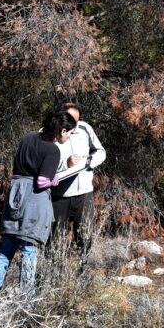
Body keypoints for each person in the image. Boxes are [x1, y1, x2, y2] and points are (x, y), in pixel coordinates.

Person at [0, 109, 77, 296]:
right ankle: (26, 296)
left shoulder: (27, 138)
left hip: (16, 194)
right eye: (70, 132)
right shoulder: (52, 149)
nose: (69, 137)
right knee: (29, 248)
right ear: (62, 131)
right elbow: (42, 181)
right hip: (34, 199)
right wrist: (55, 180)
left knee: (7, 247)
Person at [51, 102, 106, 251]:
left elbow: (100, 152)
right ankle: (52, 271)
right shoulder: (50, 133)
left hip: (84, 193)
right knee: (55, 238)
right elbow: (44, 165)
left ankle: (84, 270)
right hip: (60, 194)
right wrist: (66, 163)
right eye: (71, 120)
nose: (74, 125)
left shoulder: (85, 128)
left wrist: (88, 162)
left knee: (85, 235)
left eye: (77, 120)